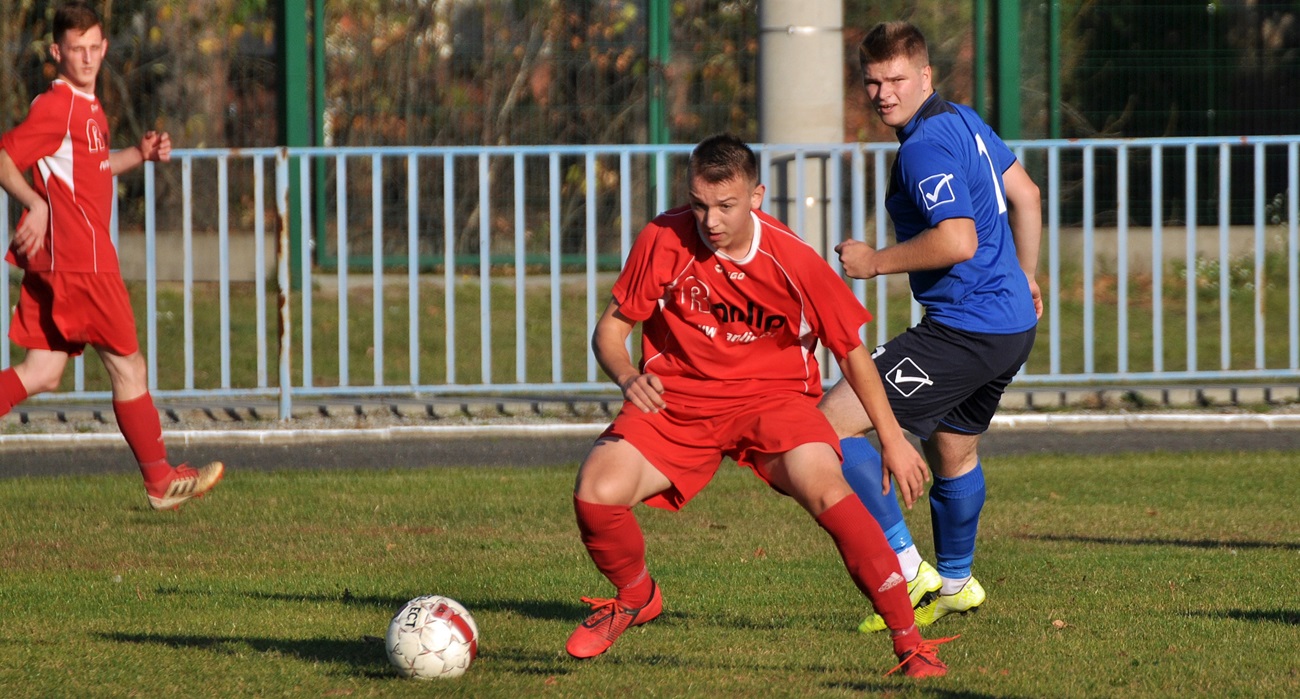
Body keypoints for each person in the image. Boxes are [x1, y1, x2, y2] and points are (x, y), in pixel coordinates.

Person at [565, 133, 955, 678]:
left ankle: (910, 644)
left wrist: (892, 437)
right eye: (700, 205)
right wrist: (628, 375)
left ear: (757, 196)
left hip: (773, 403)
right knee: (595, 494)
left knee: (829, 491)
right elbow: (610, 330)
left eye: (726, 205)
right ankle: (635, 596)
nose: (711, 220)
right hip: (679, 401)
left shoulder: (792, 257)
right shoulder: (663, 236)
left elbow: (852, 354)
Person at [819, 20, 1043, 633]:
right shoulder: (964, 120)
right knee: (952, 448)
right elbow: (1026, 194)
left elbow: (957, 239)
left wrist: (873, 263)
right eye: (872, 81)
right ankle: (957, 581)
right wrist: (1026, 276)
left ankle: (906, 565)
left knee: (821, 430)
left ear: (924, 76)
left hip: (963, 331)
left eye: (895, 79)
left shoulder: (922, 148)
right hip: (1009, 326)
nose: (883, 94)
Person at [0, 2, 224, 511]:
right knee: (130, 370)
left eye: (93, 48)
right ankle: (160, 480)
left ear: (103, 48)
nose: (85, 58)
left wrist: (138, 155)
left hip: (60, 264)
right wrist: (34, 202)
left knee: (42, 373)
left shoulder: (89, 107)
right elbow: (5, 157)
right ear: (56, 53)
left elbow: (92, 167)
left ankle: (159, 479)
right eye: (74, 50)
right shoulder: (58, 106)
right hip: (83, 264)